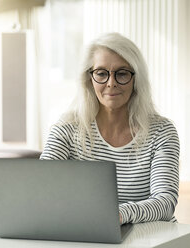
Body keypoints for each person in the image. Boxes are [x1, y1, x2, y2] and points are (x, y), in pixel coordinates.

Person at [40, 32, 179, 224]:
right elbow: (40, 187)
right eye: (101, 73)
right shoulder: (67, 128)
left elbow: (165, 203)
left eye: (122, 73)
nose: (111, 83)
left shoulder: (162, 132)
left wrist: (119, 214)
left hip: (152, 237)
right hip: (90, 231)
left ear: (136, 79)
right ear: (89, 79)